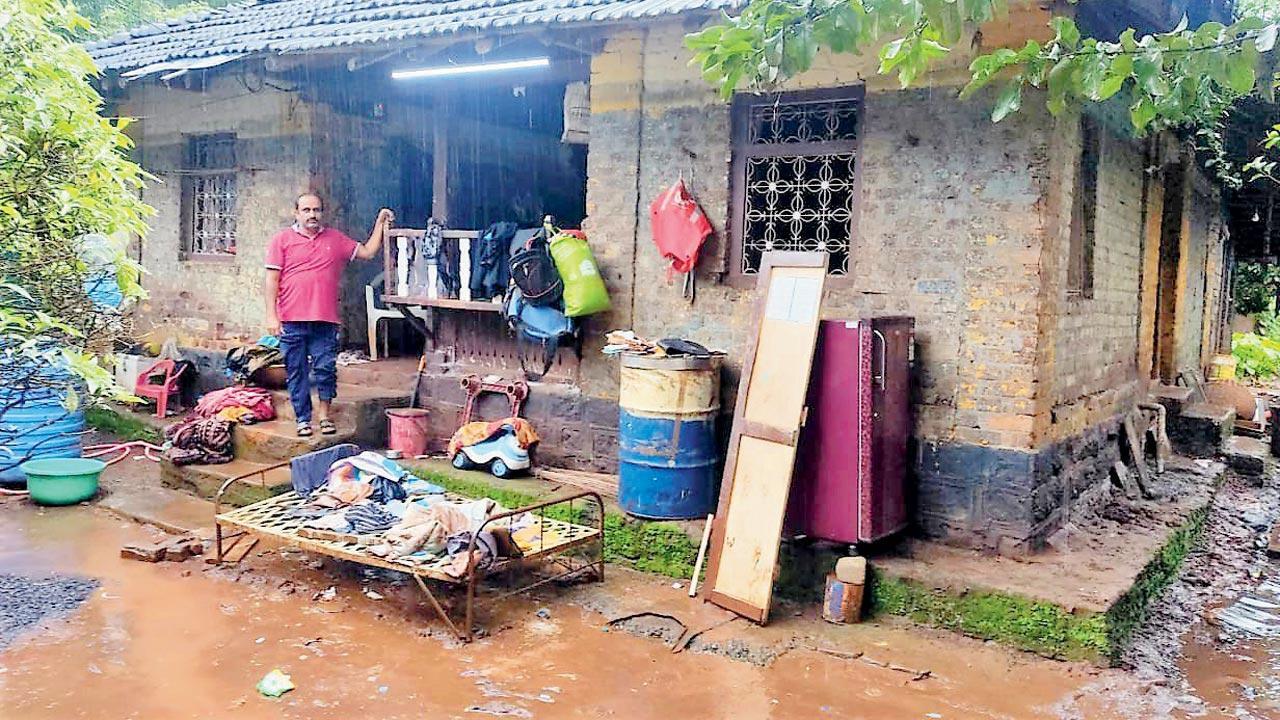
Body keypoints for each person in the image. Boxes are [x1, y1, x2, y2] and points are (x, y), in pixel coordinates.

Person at [265, 193, 393, 437]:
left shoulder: (334, 239)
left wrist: (379, 224)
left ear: (322, 213)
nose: (312, 215)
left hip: (325, 319)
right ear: (296, 213)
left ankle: (324, 416)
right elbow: (272, 280)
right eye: (306, 210)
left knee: (325, 369)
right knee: (296, 370)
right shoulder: (281, 241)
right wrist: (272, 316)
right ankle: (303, 419)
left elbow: (367, 252)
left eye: (316, 210)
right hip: (291, 318)